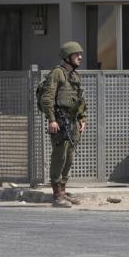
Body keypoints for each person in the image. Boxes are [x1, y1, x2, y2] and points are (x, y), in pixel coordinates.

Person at [40, 41, 87, 208]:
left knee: (70, 157)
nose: (80, 57)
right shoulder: (57, 73)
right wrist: (51, 119)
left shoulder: (74, 75)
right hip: (60, 121)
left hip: (73, 121)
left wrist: (82, 117)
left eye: (80, 54)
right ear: (67, 57)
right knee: (59, 156)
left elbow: (79, 99)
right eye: (76, 55)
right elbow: (47, 97)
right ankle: (56, 193)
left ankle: (63, 190)